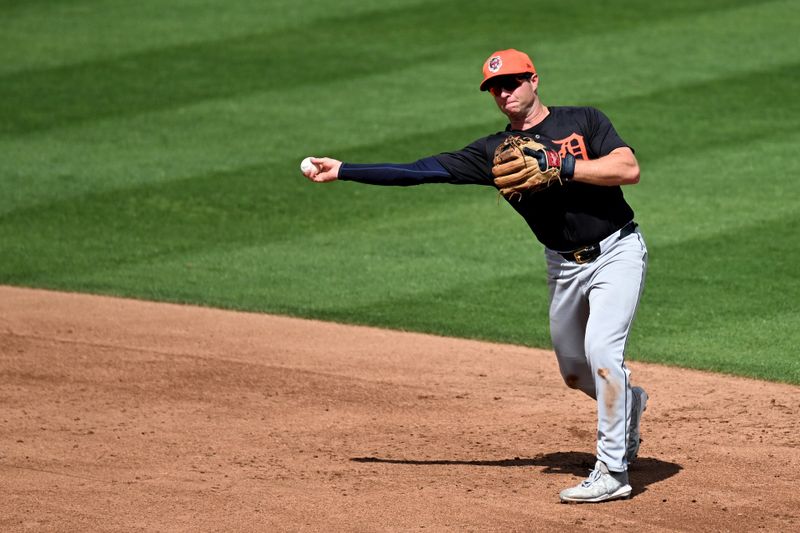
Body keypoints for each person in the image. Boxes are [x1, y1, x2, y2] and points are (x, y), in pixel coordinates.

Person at [301, 48, 649, 504]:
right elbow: (420, 171)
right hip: (563, 266)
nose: (504, 93)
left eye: (512, 83)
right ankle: (628, 403)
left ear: (534, 80)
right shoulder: (492, 153)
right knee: (573, 371)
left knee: (602, 350)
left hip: (617, 252)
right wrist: (346, 170)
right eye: (495, 88)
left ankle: (613, 471)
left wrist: (559, 165)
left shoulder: (583, 120)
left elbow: (628, 169)